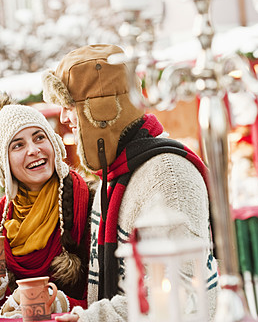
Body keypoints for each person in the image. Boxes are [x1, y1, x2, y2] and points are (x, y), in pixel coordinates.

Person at [41, 44, 219, 321]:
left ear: (99, 110)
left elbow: (181, 289)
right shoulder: (113, 177)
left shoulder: (168, 175)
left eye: (69, 106)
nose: (64, 118)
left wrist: (95, 319)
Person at [0, 90, 93, 317]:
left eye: (39, 137)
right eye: (18, 145)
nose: (34, 150)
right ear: (4, 163)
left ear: (53, 143)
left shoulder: (89, 202)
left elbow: (106, 296)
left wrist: (57, 302)